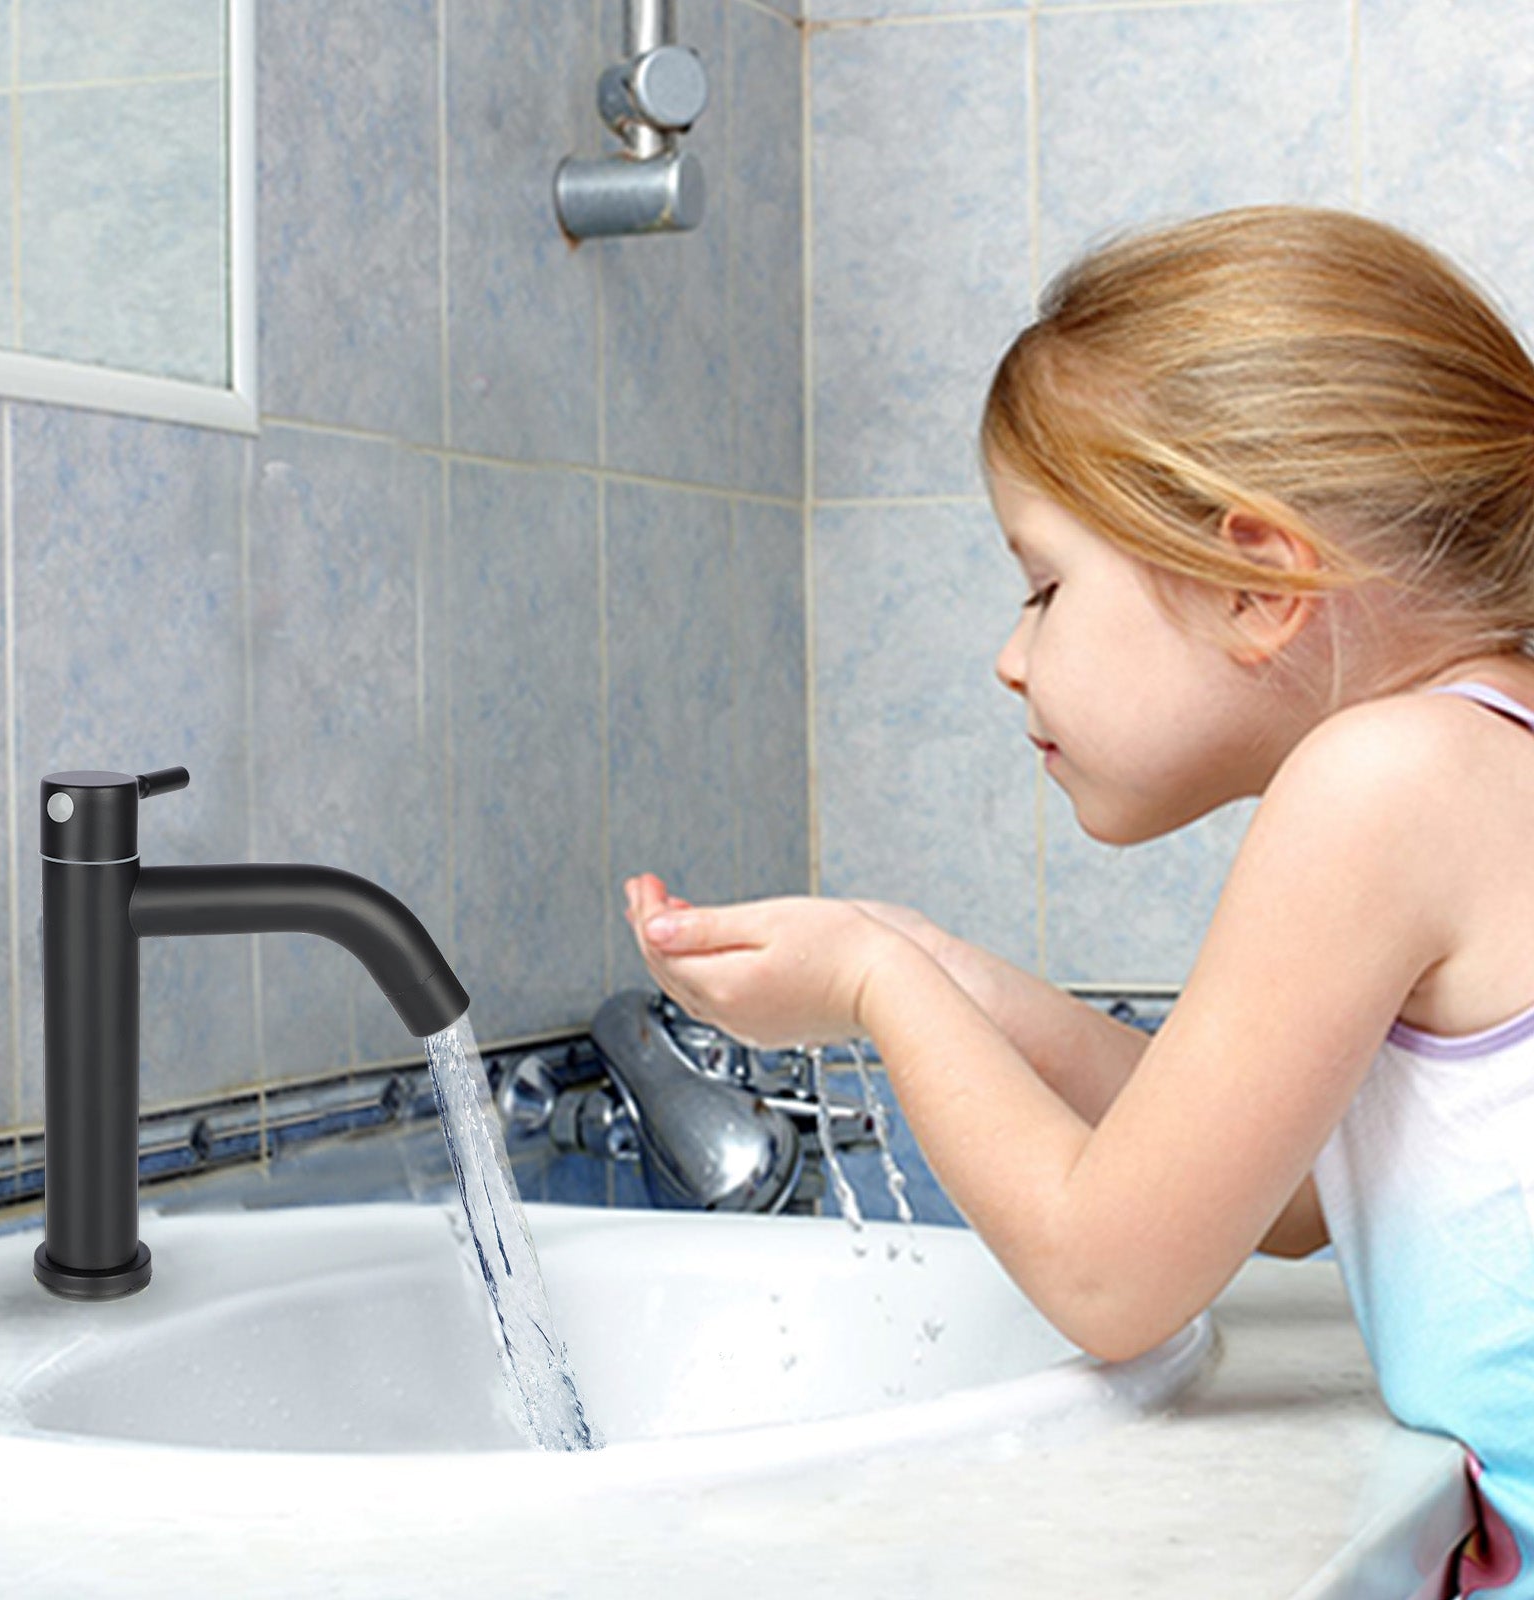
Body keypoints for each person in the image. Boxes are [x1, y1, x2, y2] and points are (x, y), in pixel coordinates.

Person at [622, 206, 1533, 1596]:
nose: (1010, 655)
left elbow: (1115, 1280)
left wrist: (881, 985)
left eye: (1045, 584)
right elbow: (1290, 1198)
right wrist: (956, 978)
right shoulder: (1484, 757)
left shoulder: (1384, 783)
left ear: (1262, 582)